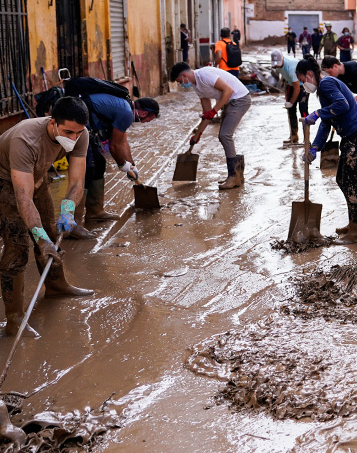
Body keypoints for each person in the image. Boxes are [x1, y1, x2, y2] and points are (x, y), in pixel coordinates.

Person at [0, 96, 95, 338]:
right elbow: (23, 199)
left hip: (37, 176)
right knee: (18, 246)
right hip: (5, 183)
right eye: (68, 132)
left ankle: (55, 285)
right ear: (53, 123)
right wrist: (38, 237)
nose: (73, 138)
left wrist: (68, 209)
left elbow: (76, 181)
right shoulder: (25, 139)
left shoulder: (80, 134)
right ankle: (14, 318)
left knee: (51, 233)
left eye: (78, 133)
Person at [297, 58, 357, 244]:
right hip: (353, 137)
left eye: (302, 80)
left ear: (309, 74)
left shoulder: (326, 83)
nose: (303, 85)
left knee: (351, 183)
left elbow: (342, 105)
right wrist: (315, 147)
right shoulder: (324, 88)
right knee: (342, 179)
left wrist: (316, 113)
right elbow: (327, 122)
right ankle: (354, 223)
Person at [74, 85, 160, 230]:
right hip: (77, 121)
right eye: (148, 120)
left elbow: (122, 141)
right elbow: (114, 146)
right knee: (89, 168)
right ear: (144, 113)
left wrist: (132, 166)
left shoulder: (125, 108)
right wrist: (122, 165)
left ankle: (95, 212)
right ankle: (74, 223)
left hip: (85, 122)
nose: (146, 123)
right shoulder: (126, 113)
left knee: (99, 163)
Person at [169, 61, 251, 190]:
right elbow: (207, 114)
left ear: (184, 75)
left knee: (225, 135)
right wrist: (198, 135)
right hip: (230, 102)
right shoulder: (197, 87)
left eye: (179, 81)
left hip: (240, 99)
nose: (180, 84)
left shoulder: (205, 74)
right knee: (224, 135)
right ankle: (238, 174)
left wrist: (215, 110)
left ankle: (233, 176)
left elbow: (228, 90)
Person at [271, 51, 308, 145]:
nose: (277, 67)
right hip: (291, 84)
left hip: (303, 85)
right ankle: (294, 136)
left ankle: (306, 138)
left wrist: (291, 102)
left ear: (283, 59)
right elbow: (284, 76)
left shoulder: (291, 67)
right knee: (290, 110)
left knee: (303, 110)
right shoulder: (277, 65)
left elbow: (297, 88)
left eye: (278, 64)